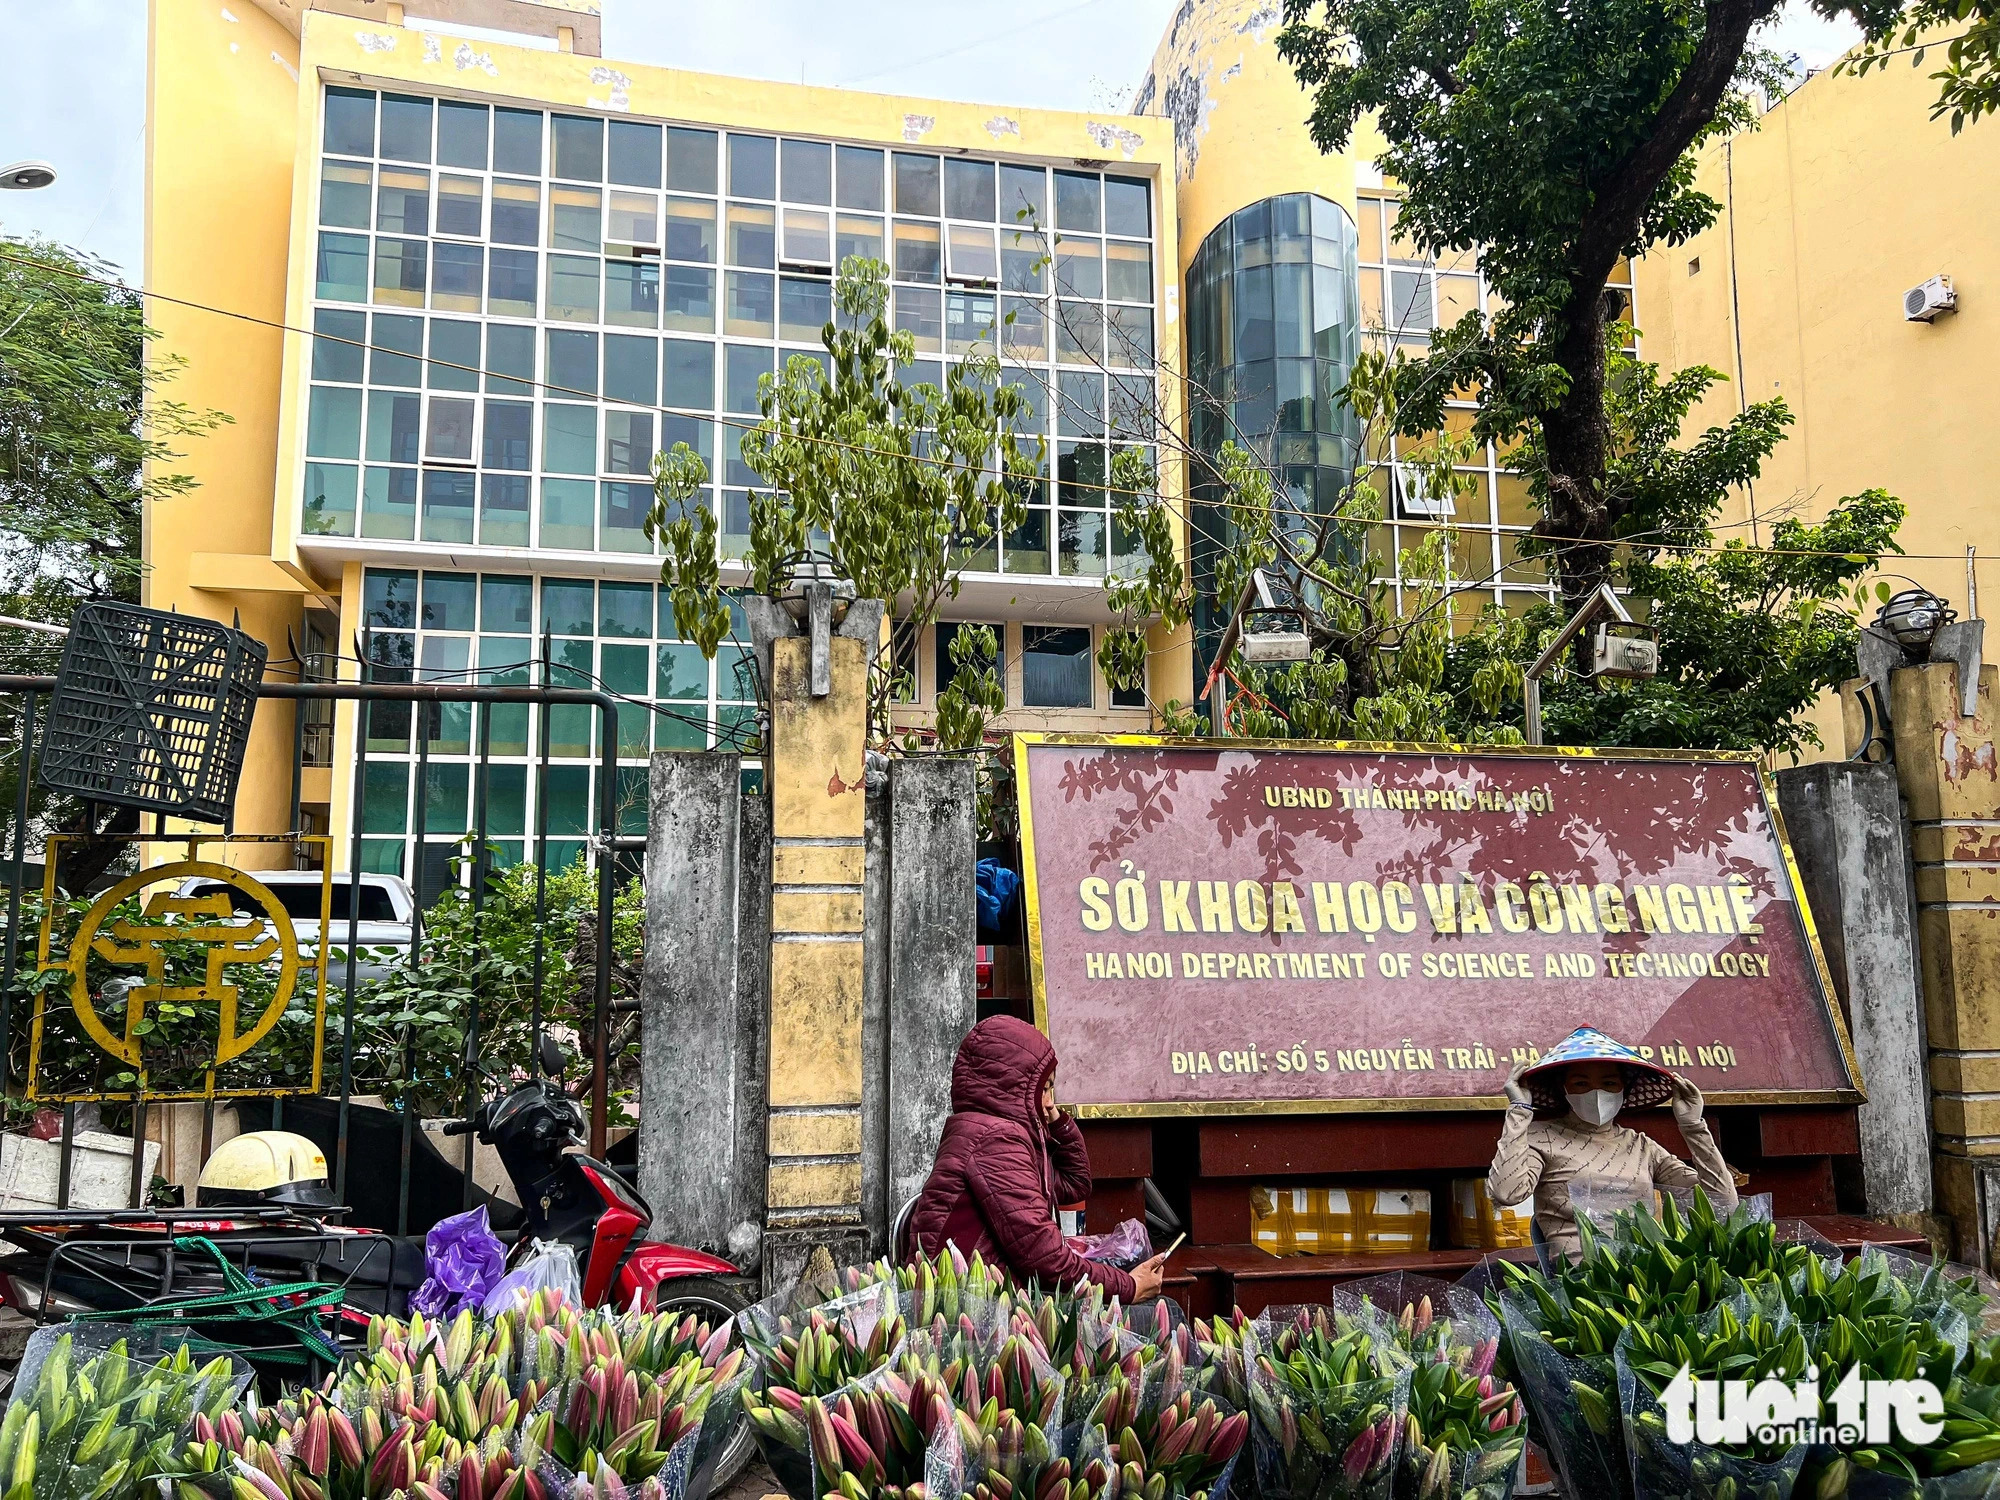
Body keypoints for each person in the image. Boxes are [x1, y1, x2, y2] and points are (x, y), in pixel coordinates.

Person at [907, 1015, 1168, 1302]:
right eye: (1042, 1089)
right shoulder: (996, 1140)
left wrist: (1056, 1122)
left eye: (1050, 1088)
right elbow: (1045, 1258)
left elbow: (1074, 1183)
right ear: (1012, 1088)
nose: (1049, 1101)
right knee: (1162, 1309)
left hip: (982, 1292)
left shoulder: (992, 1132)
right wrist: (1128, 1287)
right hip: (967, 1305)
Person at [1487, 1024, 1737, 1262]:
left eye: (1608, 1083)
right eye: (1581, 1083)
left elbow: (1722, 1203)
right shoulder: (1541, 1136)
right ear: (1563, 1089)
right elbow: (1507, 1192)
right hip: (1579, 1281)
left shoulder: (1641, 1146)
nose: (1596, 1093)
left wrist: (1693, 1126)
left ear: (1623, 1090)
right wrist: (1519, 1110)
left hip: (1645, 1276)